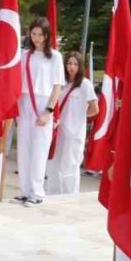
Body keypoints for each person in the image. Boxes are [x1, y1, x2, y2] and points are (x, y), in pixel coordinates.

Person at [13, 18, 65, 206]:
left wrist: (48, 111)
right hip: (25, 101)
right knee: (24, 148)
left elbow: (57, 86)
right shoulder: (24, 55)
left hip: (43, 102)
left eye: (40, 35)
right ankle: (25, 190)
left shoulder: (55, 57)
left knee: (39, 149)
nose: (36, 38)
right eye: (33, 34)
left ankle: (37, 192)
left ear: (46, 36)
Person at [44, 51, 98, 196]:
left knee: (71, 165)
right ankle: (52, 192)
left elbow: (94, 109)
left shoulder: (85, 85)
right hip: (58, 130)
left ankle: (70, 194)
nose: (71, 67)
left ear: (80, 66)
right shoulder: (61, 84)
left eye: (75, 64)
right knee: (54, 162)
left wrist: (79, 117)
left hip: (74, 133)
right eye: (69, 63)